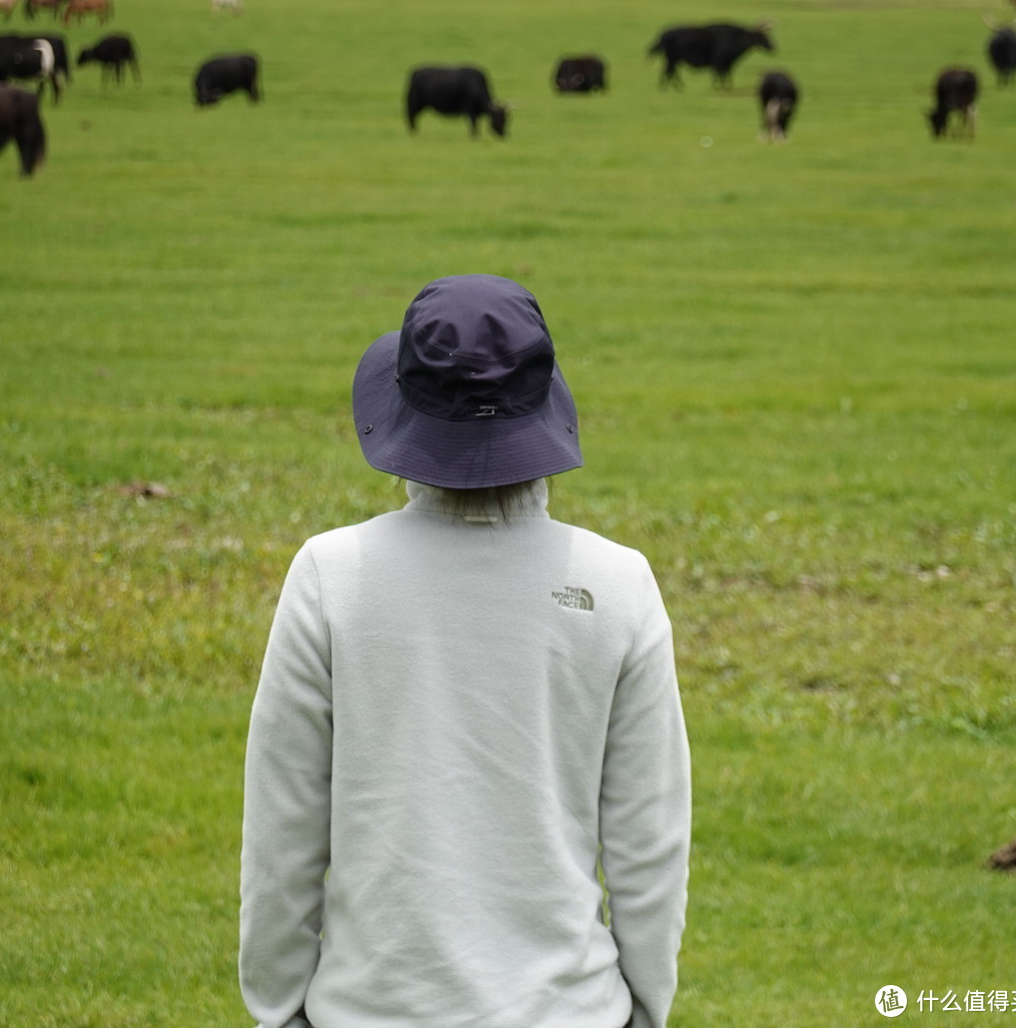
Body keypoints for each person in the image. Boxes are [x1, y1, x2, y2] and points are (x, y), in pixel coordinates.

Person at [240, 273, 691, 1028]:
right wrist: (646, 1005)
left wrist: (278, 1008)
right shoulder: (617, 586)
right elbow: (650, 843)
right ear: (545, 408)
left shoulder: (330, 577)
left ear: (404, 406)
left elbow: (283, 830)